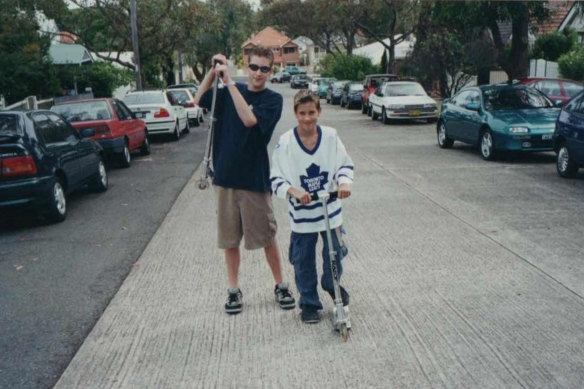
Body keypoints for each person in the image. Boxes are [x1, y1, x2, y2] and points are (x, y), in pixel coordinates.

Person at [193, 46, 295, 315]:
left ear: (270, 72)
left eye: (264, 69)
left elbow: (249, 120)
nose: (258, 73)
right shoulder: (226, 93)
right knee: (229, 240)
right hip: (225, 177)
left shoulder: (272, 100)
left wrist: (229, 83)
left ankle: (280, 284)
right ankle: (234, 290)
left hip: (254, 179)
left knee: (267, 236)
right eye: (254, 67)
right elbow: (198, 99)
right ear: (246, 67)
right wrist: (212, 72)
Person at [270, 90, 354, 324]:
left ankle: (331, 283)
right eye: (302, 113)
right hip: (303, 215)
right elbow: (275, 178)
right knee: (303, 260)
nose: (307, 118)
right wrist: (293, 190)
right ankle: (309, 303)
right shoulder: (286, 142)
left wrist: (345, 183)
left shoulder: (330, 136)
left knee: (335, 255)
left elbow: (344, 165)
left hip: (330, 211)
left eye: (312, 113)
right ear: (295, 113)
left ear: (319, 112)